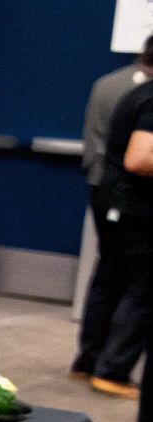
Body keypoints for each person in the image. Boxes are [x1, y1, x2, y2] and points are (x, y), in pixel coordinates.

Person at [75, 38, 153, 399]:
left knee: (109, 274)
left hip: (105, 189)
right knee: (142, 286)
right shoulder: (147, 97)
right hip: (134, 200)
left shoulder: (109, 84)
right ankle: (113, 369)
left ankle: (89, 360)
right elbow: (138, 158)